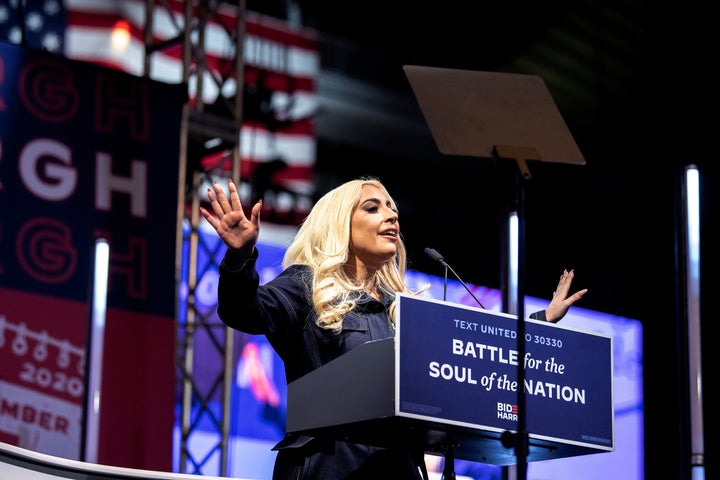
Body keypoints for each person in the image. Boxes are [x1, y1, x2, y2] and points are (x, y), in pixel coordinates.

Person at [200, 176, 587, 480]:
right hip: (327, 471)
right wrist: (240, 257)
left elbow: (474, 356)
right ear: (339, 225)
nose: (391, 216)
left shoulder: (406, 311)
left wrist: (542, 323)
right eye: (373, 208)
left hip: (398, 470)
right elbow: (243, 311)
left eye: (392, 208)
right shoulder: (307, 285)